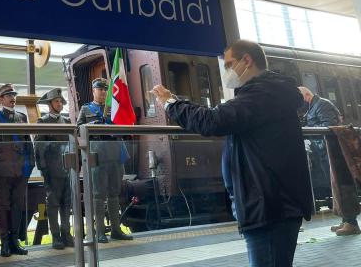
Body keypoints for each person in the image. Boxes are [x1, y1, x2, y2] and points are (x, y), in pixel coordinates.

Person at [152, 40, 312, 267]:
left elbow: (213, 121)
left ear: (247, 60)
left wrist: (171, 103)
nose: (226, 71)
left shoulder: (264, 93)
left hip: (270, 205)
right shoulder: (268, 92)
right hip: (268, 202)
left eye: (229, 64)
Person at [76, 78, 133, 243]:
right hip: (97, 154)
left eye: (105, 90)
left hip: (114, 152)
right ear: (93, 91)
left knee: (114, 193)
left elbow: (124, 125)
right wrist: (94, 125)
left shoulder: (114, 108)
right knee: (98, 195)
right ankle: (100, 232)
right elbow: (78, 129)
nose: (102, 92)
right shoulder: (86, 108)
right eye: (99, 89)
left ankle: (116, 229)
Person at [299, 86, 360, 236]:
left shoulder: (322, 104)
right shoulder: (313, 107)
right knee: (337, 187)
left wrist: (308, 129)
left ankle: (352, 223)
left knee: (343, 185)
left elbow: (330, 126)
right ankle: (346, 220)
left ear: (306, 95)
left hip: (335, 152)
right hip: (325, 152)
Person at [0, 83, 35, 257]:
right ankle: (5, 242)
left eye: (14, 95)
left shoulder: (22, 117)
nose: (12, 98)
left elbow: (28, 142)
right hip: (2, 170)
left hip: (20, 170)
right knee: (2, 206)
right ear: (1, 99)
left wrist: (30, 165)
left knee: (17, 206)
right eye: (8, 96)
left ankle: (15, 240)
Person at [35, 88, 73, 250]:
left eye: (60, 101)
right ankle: (56, 236)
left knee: (67, 203)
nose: (59, 104)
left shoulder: (67, 121)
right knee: (53, 203)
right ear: (49, 104)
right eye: (56, 101)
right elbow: (39, 148)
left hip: (67, 169)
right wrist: (43, 169)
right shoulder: (42, 122)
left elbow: (72, 144)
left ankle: (66, 233)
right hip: (51, 170)